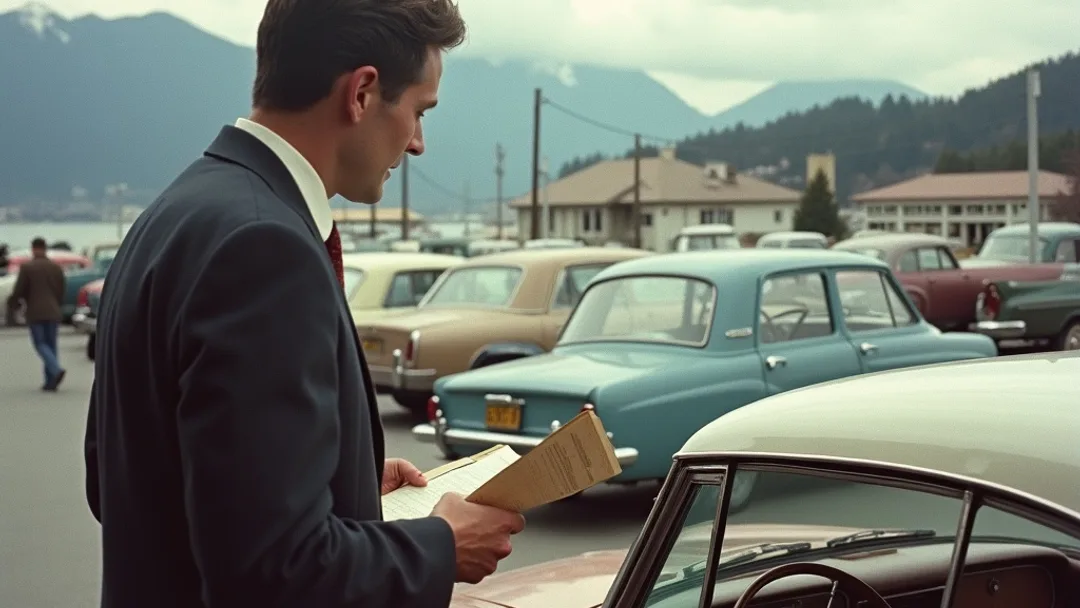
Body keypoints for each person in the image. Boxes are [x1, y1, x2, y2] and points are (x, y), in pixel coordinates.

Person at [83, 1, 524, 607]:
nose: (419, 143)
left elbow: (118, 482)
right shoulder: (266, 247)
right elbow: (274, 571)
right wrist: (441, 545)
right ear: (363, 92)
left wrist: (346, 482)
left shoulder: (174, 213)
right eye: (419, 112)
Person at [9, 237, 66, 390]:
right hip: (53, 311)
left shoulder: (27, 267)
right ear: (45, 248)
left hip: (35, 312)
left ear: (33, 248)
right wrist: (57, 304)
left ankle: (55, 370)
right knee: (51, 345)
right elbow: (61, 290)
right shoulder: (55, 267)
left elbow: (20, 289)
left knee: (40, 344)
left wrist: (13, 304)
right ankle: (50, 381)